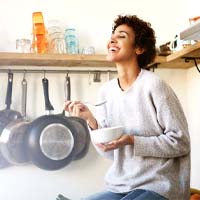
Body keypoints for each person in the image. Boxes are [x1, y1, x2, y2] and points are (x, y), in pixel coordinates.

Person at [64, 15, 191, 200]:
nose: (112, 39)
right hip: (121, 185)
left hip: (160, 186)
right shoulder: (106, 91)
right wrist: (91, 121)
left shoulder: (154, 86)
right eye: (112, 35)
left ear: (139, 48)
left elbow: (181, 142)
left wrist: (132, 140)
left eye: (122, 36)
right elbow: (108, 152)